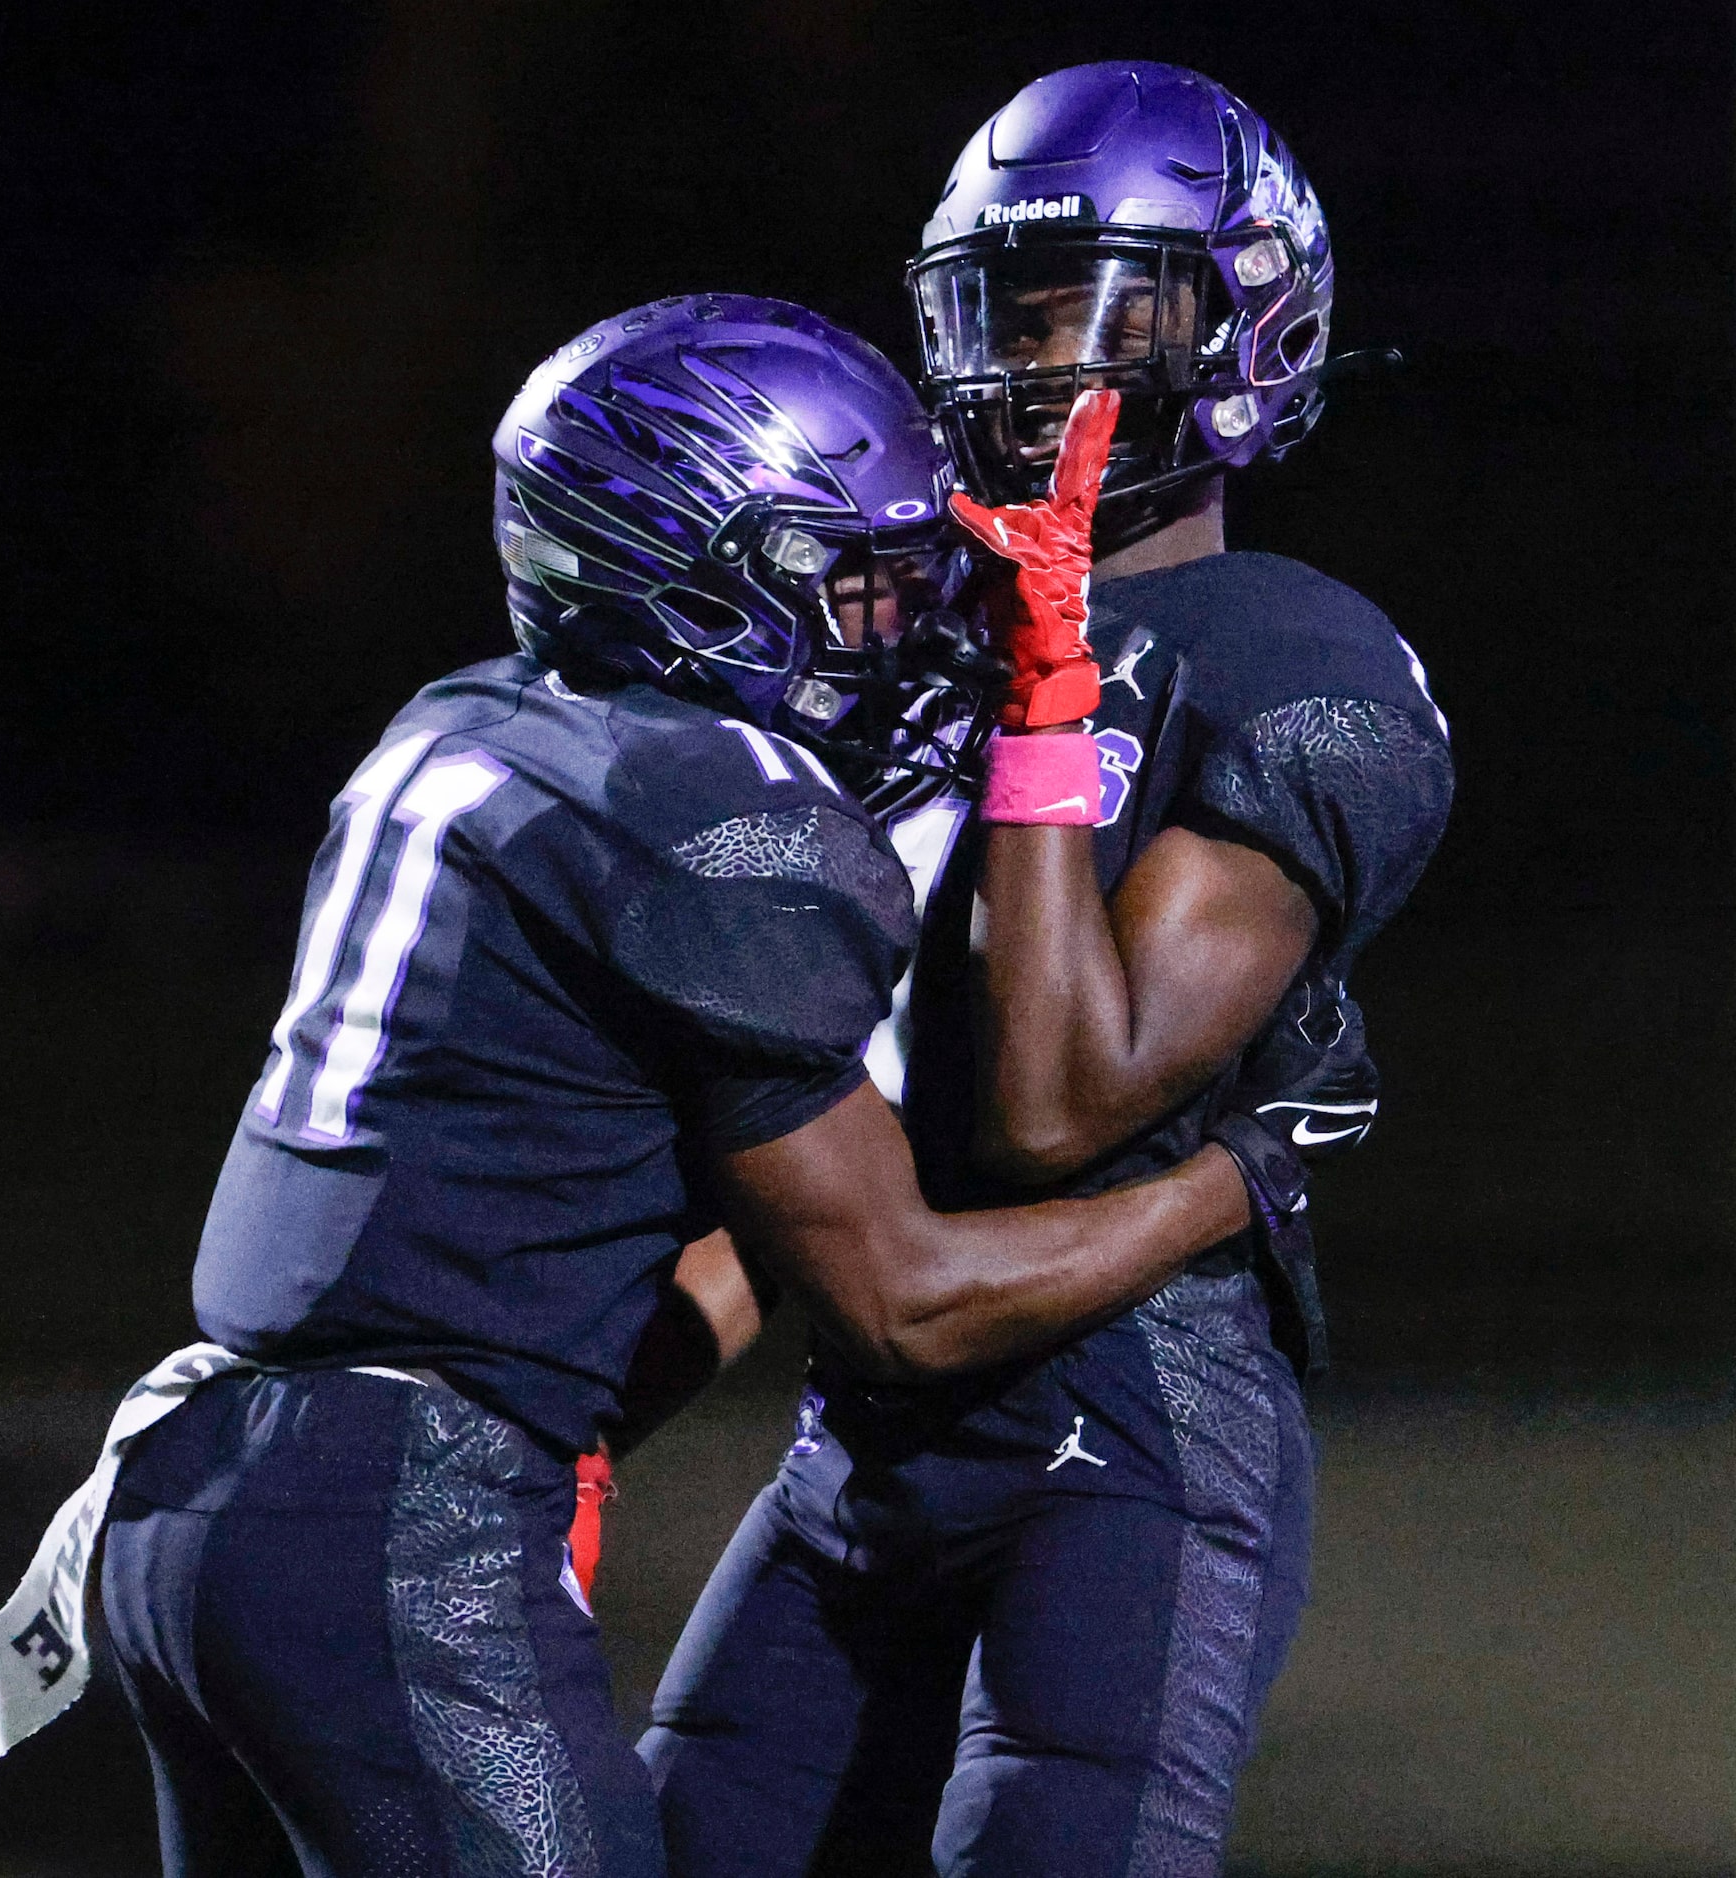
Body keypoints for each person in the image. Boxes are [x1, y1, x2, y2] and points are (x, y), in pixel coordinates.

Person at [72, 294, 1286, 1878]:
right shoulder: (723, 819)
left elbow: (694, 1238)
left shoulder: (465, 727)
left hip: (191, 1498)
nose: (900, 623)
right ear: (701, 582)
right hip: (394, 1525)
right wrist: (1236, 1180)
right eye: (850, 580)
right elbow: (900, 1299)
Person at [641, 65, 1455, 1878]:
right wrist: (549, 1396)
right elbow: (822, 1101)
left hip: (1127, 1414)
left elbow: (1048, 1106)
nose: (1040, 362)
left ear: (1249, 329)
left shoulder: (1303, 658)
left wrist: (1049, 687)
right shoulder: (917, 640)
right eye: (1007, 310)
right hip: (870, 1419)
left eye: (1106, 304)